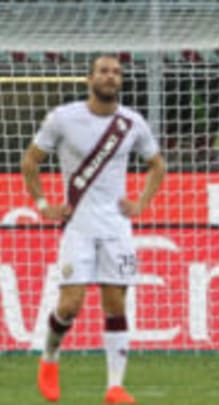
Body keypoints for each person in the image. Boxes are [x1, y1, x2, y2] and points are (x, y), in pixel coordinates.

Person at [21, 55, 166, 404]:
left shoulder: (131, 122)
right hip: (79, 226)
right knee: (70, 305)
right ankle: (50, 358)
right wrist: (43, 206)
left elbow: (157, 165)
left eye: (116, 72)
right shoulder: (64, 118)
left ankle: (114, 387)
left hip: (116, 226)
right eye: (104, 71)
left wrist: (142, 203)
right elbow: (30, 161)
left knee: (116, 304)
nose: (110, 77)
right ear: (90, 78)